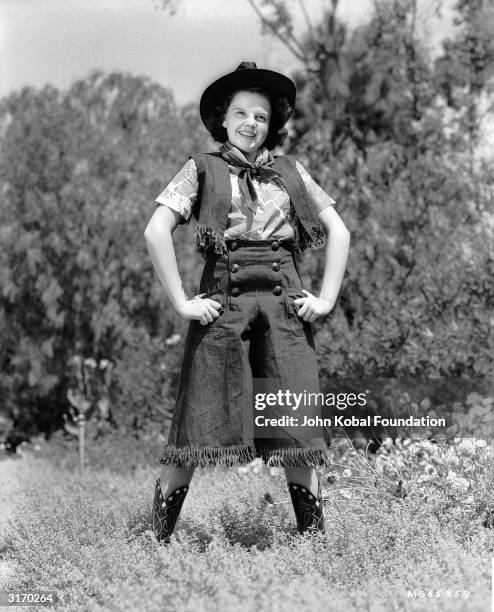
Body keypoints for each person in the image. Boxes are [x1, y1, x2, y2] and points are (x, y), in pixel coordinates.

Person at [144, 61, 350, 544]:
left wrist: (325, 300)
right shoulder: (201, 168)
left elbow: (339, 230)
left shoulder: (291, 173)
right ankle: (154, 543)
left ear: (271, 123)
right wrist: (182, 302)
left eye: (260, 116)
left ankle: (313, 551)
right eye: (241, 113)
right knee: (194, 426)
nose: (250, 123)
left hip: (285, 309)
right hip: (222, 306)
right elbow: (156, 231)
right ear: (223, 118)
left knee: (297, 431)